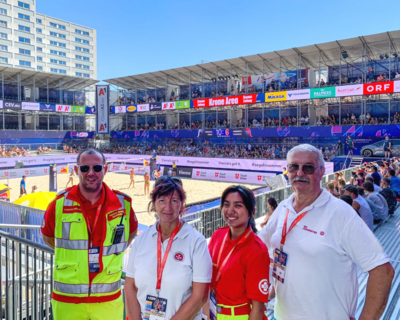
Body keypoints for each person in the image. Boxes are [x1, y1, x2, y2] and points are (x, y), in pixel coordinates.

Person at [258, 144, 394, 320]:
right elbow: (258, 244)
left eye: (308, 167)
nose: (300, 173)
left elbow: (383, 271)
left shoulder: (341, 213)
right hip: (281, 315)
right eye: (293, 167)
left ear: (321, 171)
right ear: (287, 171)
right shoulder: (284, 206)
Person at [41, 149, 138, 320]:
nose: (91, 173)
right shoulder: (58, 204)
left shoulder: (123, 204)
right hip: (68, 301)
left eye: (97, 168)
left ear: (105, 170)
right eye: (85, 168)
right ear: (77, 170)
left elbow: (130, 235)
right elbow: (48, 238)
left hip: (108, 300)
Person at [125, 176, 212, 320]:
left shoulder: (197, 242)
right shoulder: (141, 241)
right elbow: (129, 286)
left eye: (174, 201)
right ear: (154, 204)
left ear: (181, 204)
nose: (168, 207)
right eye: (162, 200)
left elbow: (200, 296)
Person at [207, 186, 269, 320]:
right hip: (212, 312)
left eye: (238, 205)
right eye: (226, 204)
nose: (230, 211)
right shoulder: (218, 235)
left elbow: (258, 308)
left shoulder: (257, 250)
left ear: (251, 212)